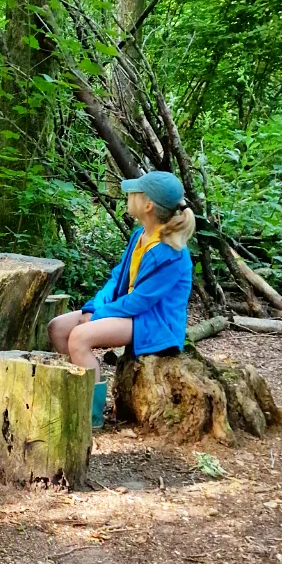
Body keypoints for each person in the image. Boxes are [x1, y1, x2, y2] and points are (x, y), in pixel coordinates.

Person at [48, 170, 196, 427]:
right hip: (129, 312)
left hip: (154, 323)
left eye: (134, 192)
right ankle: (73, 393)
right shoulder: (139, 236)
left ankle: (90, 417)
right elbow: (117, 278)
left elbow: (141, 301)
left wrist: (99, 316)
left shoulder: (172, 253)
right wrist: (94, 307)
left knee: (80, 337)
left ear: (148, 205)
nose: (128, 195)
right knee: (58, 328)